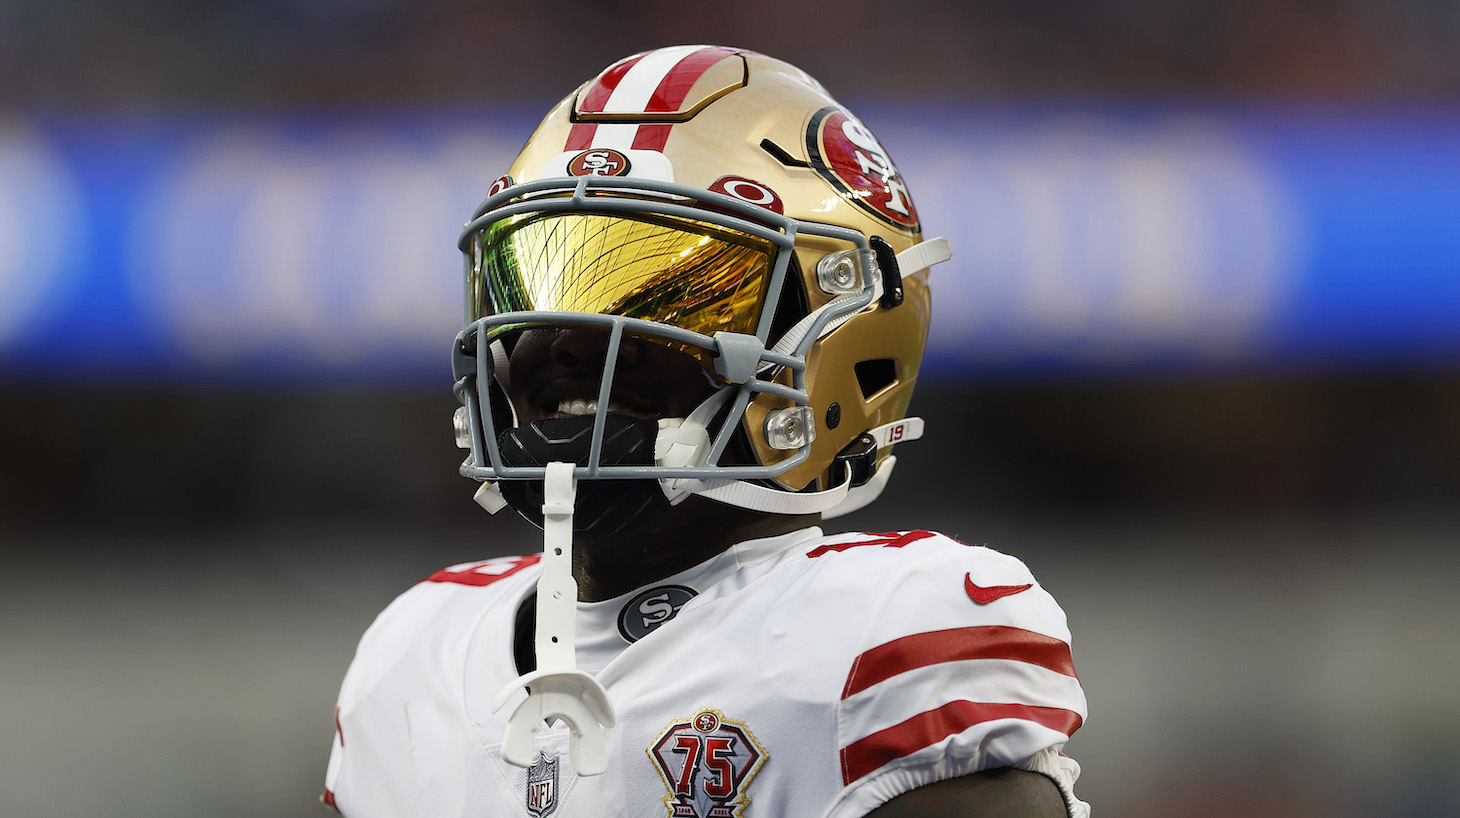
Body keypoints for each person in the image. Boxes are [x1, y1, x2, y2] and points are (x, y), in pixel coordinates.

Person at [323, 45, 1089, 817]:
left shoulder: (887, 631)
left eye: (673, 297)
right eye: (543, 279)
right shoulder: (413, 655)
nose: (573, 337)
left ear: (835, 339)